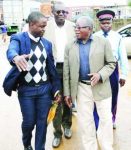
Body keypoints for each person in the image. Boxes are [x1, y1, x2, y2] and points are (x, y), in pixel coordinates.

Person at [6, 11, 61, 150]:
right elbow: (11, 50)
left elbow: (51, 69)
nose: (44, 29)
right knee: (29, 123)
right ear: (31, 24)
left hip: (44, 89)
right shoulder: (18, 38)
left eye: (45, 27)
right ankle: (27, 144)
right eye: (41, 26)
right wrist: (15, 57)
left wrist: (56, 88)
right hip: (26, 90)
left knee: (42, 123)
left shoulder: (47, 44)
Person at [63, 16, 116, 150]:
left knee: (105, 120)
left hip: (101, 87)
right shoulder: (70, 45)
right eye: (75, 27)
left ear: (90, 29)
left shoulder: (103, 42)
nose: (76, 30)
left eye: (79, 27)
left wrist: (100, 75)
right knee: (85, 122)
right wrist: (67, 93)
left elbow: (111, 63)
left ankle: (106, 146)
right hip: (81, 88)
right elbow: (66, 72)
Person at [44, 2, 76, 148]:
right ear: (52, 12)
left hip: (69, 68)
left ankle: (67, 125)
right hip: (52, 68)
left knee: (68, 97)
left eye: (64, 12)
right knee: (55, 101)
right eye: (58, 12)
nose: (62, 14)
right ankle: (57, 133)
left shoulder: (72, 26)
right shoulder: (46, 26)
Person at [94, 9, 128, 129]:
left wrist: (123, 75)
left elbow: (123, 57)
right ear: (99, 23)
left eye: (108, 22)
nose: (106, 25)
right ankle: (97, 121)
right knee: (97, 95)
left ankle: (112, 118)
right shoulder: (94, 37)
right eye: (103, 23)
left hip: (113, 69)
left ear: (112, 22)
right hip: (98, 68)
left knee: (113, 95)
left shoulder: (117, 37)